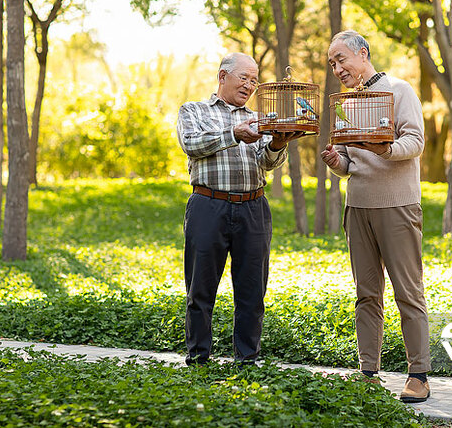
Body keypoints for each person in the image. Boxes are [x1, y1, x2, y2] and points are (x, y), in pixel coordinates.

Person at [321, 30, 431, 403]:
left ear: (363, 53)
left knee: (407, 291)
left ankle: (419, 374)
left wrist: (384, 150)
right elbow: (352, 163)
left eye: (341, 59)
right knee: (366, 294)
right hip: (359, 208)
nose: (337, 68)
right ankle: (368, 371)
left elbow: (415, 141)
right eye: (332, 63)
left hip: (398, 205)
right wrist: (338, 162)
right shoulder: (344, 103)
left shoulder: (400, 90)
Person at [177, 52, 304, 366]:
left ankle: (247, 360)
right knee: (200, 288)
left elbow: (268, 162)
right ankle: (198, 358)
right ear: (223, 77)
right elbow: (192, 143)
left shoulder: (261, 118)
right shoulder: (194, 111)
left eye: (254, 80)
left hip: (253, 208)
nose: (250, 85)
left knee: (251, 290)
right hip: (208, 205)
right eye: (244, 78)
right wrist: (234, 134)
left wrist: (278, 143)